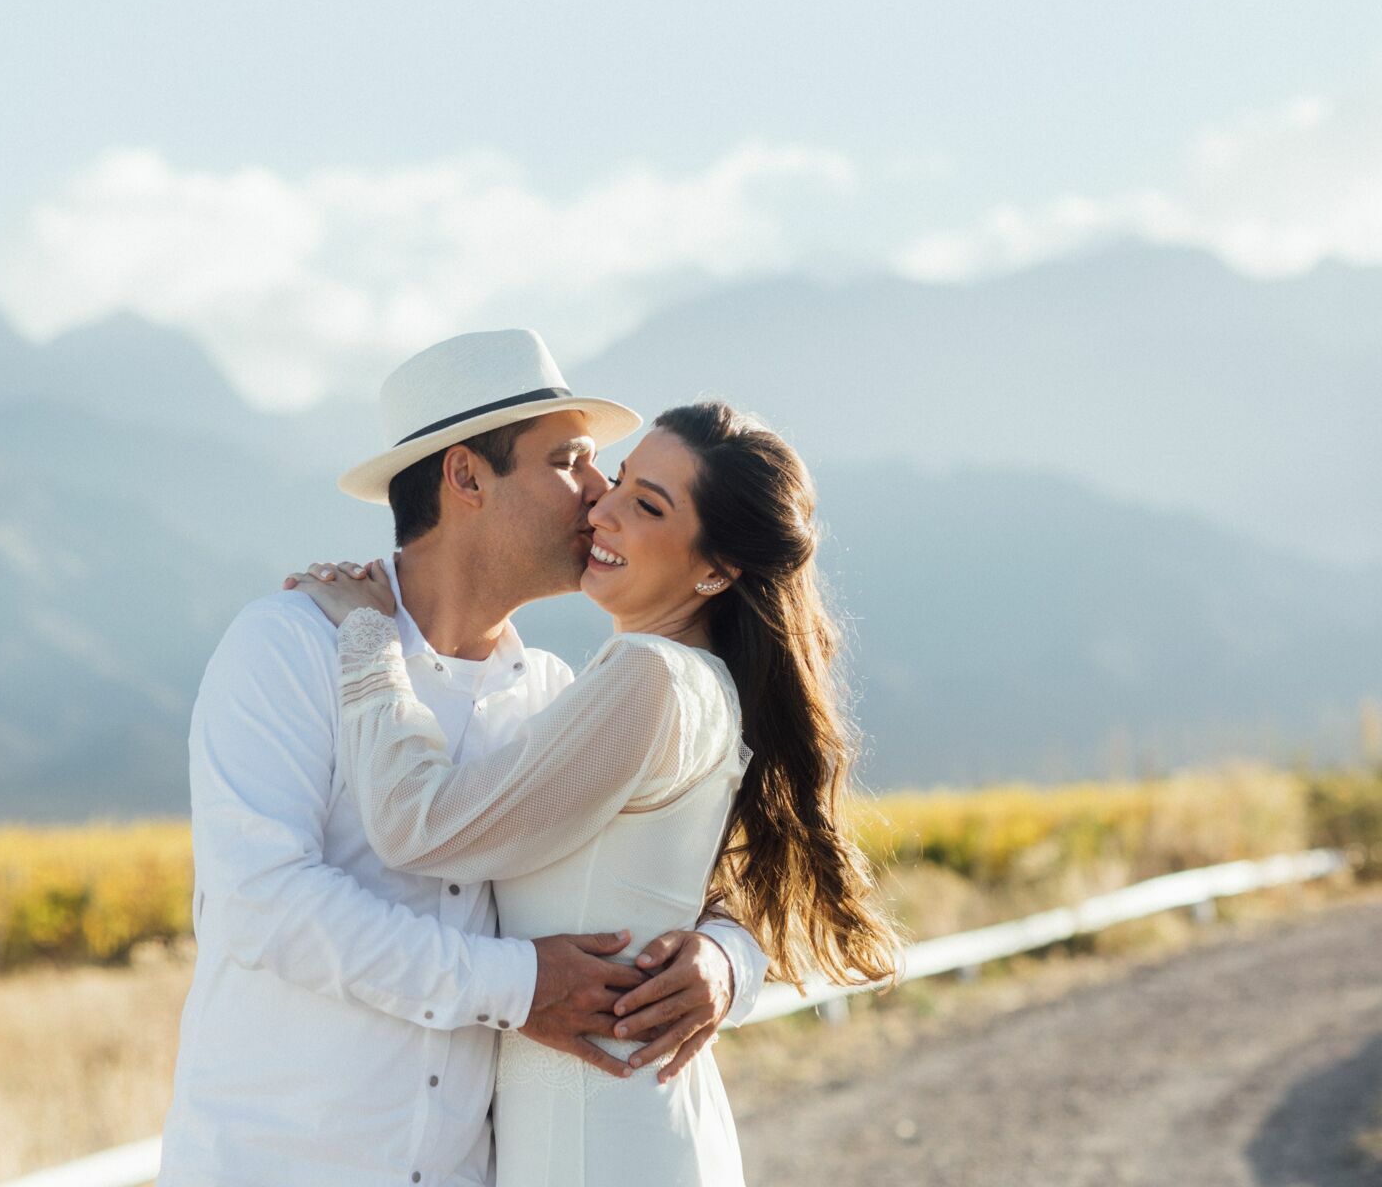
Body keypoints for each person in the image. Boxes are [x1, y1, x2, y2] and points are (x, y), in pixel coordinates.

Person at [157, 330, 771, 1186]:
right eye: (570, 461)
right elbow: (265, 904)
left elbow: (691, 864)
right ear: (467, 477)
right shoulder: (288, 646)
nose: (598, 492)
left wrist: (725, 963)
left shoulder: (556, 689)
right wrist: (517, 985)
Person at [290, 398, 901, 1183]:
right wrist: (726, 953)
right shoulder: (673, 683)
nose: (601, 509)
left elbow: (420, 826)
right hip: (608, 1124)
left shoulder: (650, 679)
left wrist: (368, 635)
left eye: (647, 505)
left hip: (597, 1139)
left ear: (715, 569)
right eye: (618, 480)